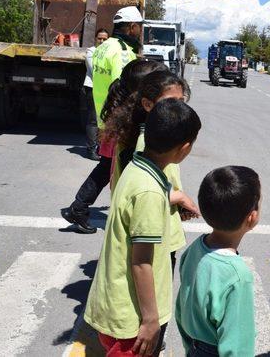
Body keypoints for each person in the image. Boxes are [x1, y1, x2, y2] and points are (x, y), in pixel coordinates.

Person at [84, 99, 202, 357]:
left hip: (117, 304)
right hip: (131, 319)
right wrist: (150, 320)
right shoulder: (149, 191)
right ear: (184, 148)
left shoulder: (137, 166)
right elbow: (141, 263)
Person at [104, 69, 198, 271]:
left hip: (160, 225)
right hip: (153, 232)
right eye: (171, 101)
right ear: (147, 105)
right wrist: (179, 198)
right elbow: (142, 190)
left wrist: (176, 206)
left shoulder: (159, 137)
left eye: (182, 101)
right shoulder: (144, 143)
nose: (178, 107)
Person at [62, 59, 158, 234]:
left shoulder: (124, 90)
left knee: (103, 171)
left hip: (113, 137)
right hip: (119, 139)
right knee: (109, 173)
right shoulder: (134, 104)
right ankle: (79, 208)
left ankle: (78, 208)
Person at [175, 166, 260, 357]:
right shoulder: (237, 275)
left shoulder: (196, 248)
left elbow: (183, 307)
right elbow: (238, 346)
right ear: (252, 217)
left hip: (194, 345)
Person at [83, 28, 110, 161]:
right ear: (95, 39)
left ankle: (101, 147)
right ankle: (90, 149)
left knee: (104, 120)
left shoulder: (109, 52)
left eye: (105, 39)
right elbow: (96, 70)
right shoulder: (91, 51)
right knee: (93, 120)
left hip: (105, 90)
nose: (102, 41)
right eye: (100, 38)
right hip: (93, 88)